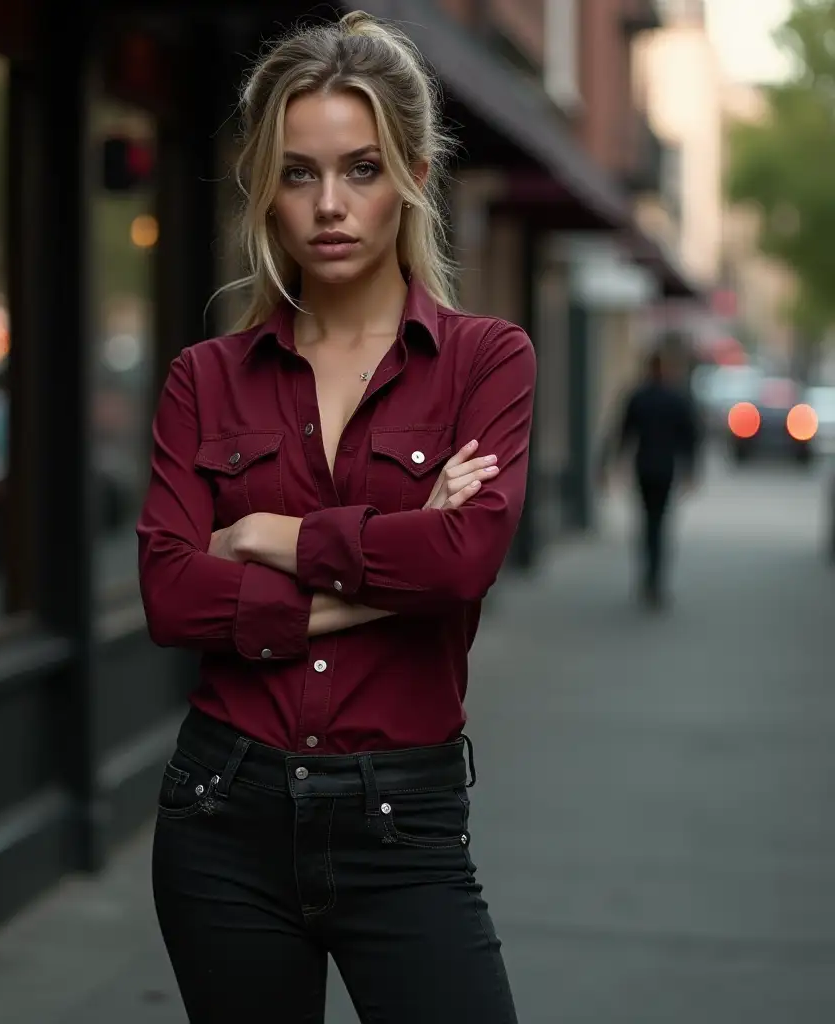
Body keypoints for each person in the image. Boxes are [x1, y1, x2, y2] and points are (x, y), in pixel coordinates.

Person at [136, 12, 535, 1022]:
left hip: (405, 823)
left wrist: (273, 539)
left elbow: (464, 562)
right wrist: (386, 581)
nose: (329, 205)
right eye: (298, 172)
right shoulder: (204, 378)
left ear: (411, 172)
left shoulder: (487, 361)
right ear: (264, 190)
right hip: (221, 813)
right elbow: (171, 594)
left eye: (359, 169)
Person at [600, 349, 701, 608]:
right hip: (666, 469)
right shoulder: (676, 398)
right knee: (660, 522)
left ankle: (648, 577)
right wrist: (691, 471)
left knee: (646, 522)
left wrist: (611, 465)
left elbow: (622, 433)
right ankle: (655, 580)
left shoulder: (638, 397)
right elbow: (690, 437)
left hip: (644, 467)